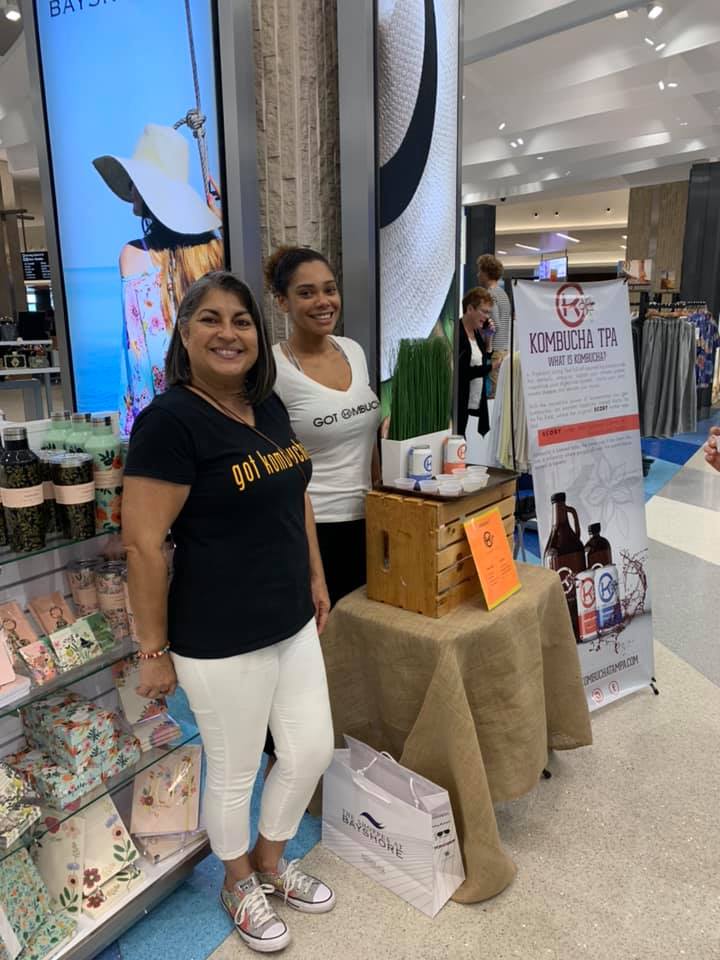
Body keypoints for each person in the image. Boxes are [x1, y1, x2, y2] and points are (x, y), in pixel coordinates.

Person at [122, 271, 335, 955]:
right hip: (219, 633)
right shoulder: (169, 422)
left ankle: (271, 860)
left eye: (241, 320)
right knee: (236, 768)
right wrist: (153, 651)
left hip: (289, 616)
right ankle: (237, 880)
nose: (228, 333)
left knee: (311, 749)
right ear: (184, 334)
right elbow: (143, 544)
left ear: (257, 334)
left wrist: (315, 576)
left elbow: (296, 494)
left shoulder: (264, 403)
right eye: (210, 319)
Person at [267, 245, 381, 607]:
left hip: (369, 517)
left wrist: (381, 495)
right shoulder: (272, 369)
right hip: (313, 530)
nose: (323, 301)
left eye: (329, 289)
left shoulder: (353, 350)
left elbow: (368, 439)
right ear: (282, 302)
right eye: (306, 293)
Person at [94, 124, 224, 435]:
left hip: (158, 411)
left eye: (134, 182)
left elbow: (138, 355)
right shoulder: (213, 252)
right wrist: (219, 221)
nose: (130, 190)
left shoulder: (133, 255)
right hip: (211, 399)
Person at [457, 287, 495, 438]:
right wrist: (492, 367)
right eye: (484, 311)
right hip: (458, 401)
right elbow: (463, 372)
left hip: (472, 399)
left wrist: (489, 338)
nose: (487, 317)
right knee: (459, 438)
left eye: (488, 313)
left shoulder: (476, 333)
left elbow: (484, 357)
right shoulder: (458, 333)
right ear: (470, 309)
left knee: (462, 437)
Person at [477, 253, 512, 397]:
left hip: (495, 352)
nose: (478, 275)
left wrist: (481, 330)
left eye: (480, 271)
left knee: (493, 395)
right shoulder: (503, 294)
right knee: (501, 394)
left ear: (486, 273)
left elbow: (494, 324)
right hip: (504, 349)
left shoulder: (489, 294)